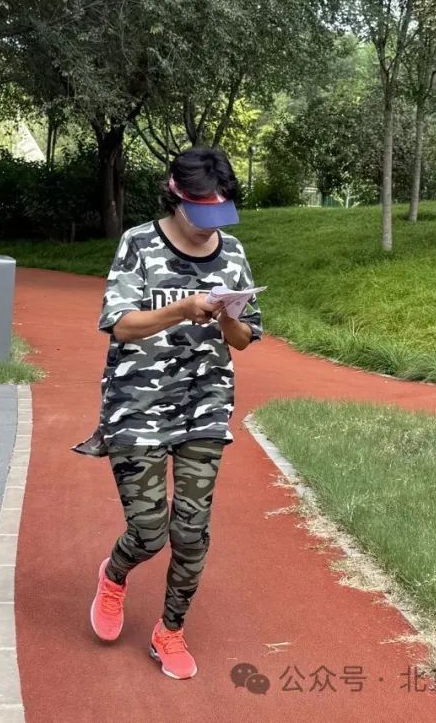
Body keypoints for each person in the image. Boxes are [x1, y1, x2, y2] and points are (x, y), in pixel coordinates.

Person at [78, 146, 263, 680]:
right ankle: (115, 574)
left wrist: (226, 315)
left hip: (205, 405)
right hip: (137, 406)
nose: (210, 225)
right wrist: (182, 308)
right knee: (149, 530)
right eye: (201, 212)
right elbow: (120, 325)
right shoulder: (138, 243)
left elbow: (245, 338)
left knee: (192, 531)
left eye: (220, 212)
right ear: (174, 196)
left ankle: (170, 630)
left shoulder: (233, 253)